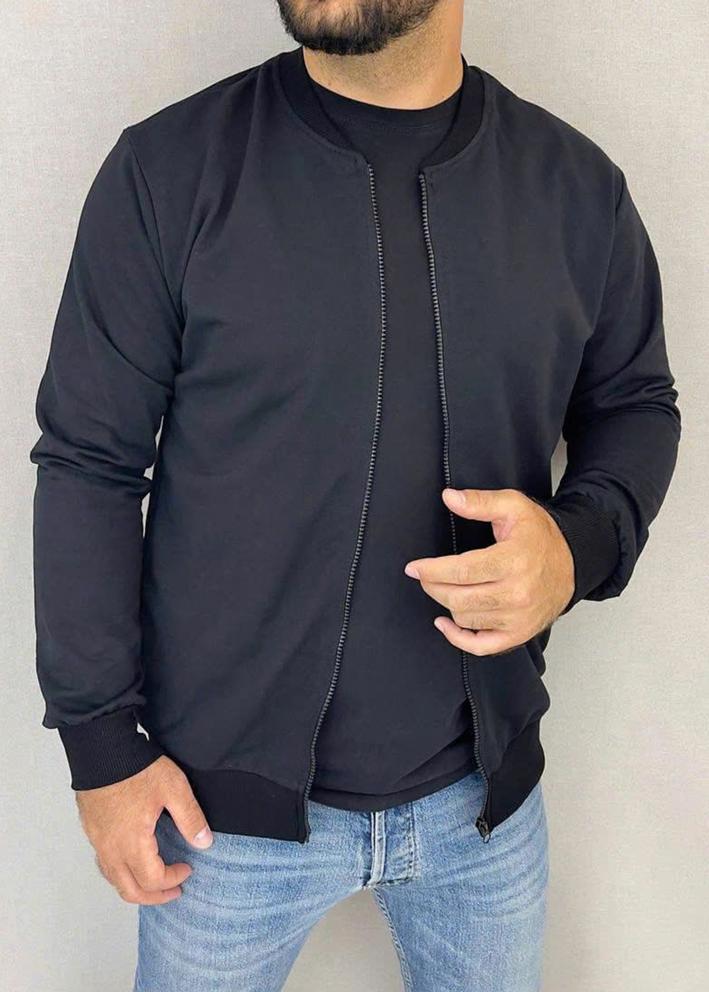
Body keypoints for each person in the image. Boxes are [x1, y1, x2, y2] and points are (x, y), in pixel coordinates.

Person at [29, 1, 681, 989]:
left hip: (483, 810)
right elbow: (89, 462)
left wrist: (575, 547)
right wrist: (102, 748)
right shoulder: (169, 170)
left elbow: (633, 402)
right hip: (213, 819)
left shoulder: (575, 188)